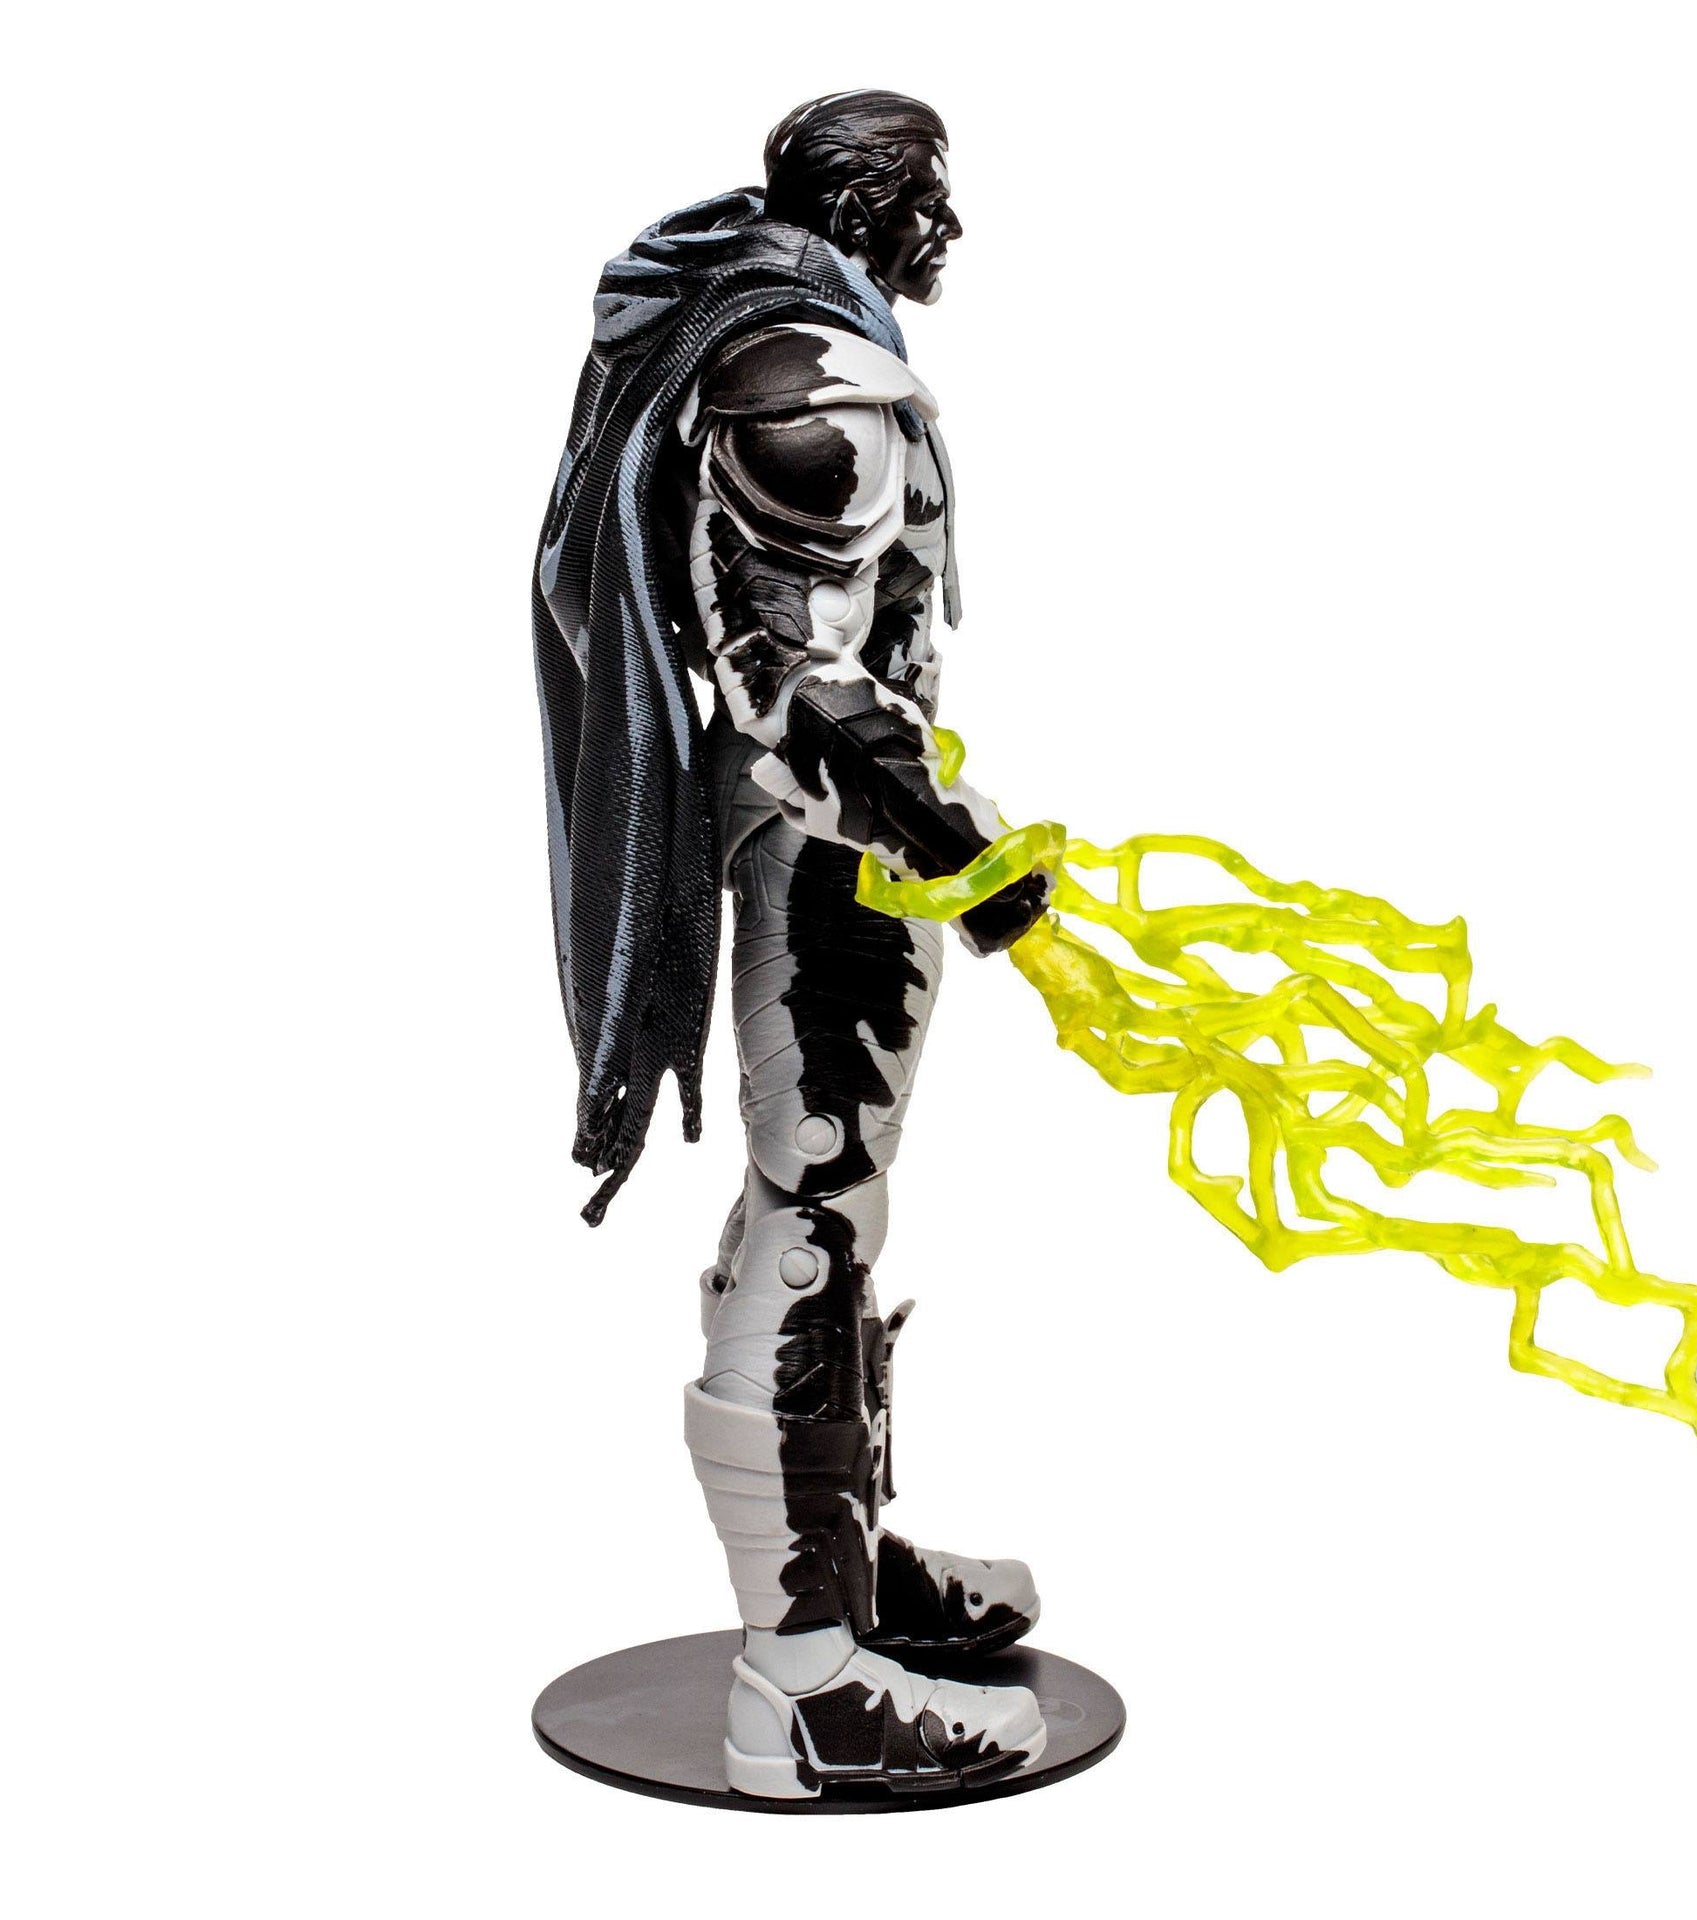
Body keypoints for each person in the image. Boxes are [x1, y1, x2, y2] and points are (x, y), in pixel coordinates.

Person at [533, 91, 1051, 1799]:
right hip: (821, 849)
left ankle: (843, 1564)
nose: (943, 228)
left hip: (847, 846)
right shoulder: (803, 381)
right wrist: (948, 835)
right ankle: (805, 1682)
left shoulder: (807, 341)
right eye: (925, 195)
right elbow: (789, 678)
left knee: (826, 1199)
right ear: (869, 199)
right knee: (813, 1208)